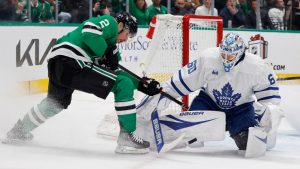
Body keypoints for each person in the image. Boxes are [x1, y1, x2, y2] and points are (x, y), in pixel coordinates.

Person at [3, 12, 161, 154]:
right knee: (123, 84)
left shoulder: (111, 47)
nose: (126, 39)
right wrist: (106, 51)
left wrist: (143, 84)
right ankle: (126, 137)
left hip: (58, 64)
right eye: (128, 33)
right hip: (72, 61)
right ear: (121, 25)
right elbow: (89, 31)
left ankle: (18, 131)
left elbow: (117, 73)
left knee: (55, 103)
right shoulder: (111, 23)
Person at [136, 32, 283, 155]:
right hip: (209, 102)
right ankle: (147, 132)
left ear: (239, 53)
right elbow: (181, 82)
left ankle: (250, 125)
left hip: (241, 108)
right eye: (223, 54)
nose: (225, 59)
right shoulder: (208, 59)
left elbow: (271, 101)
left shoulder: (257, 67)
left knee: (246, 142)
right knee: (190, 131)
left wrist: (267, 121)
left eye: (230, 56)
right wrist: (161, 95)